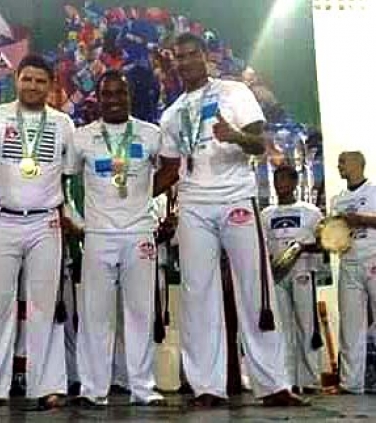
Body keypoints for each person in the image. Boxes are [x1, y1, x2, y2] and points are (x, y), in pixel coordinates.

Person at [156, 32, 306, 408]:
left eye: (192, 55)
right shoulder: (171, 114)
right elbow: (171, 169)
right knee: (198, 294)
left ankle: (273, 385)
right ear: (173, 62)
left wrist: (234, 134)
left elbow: (259, 144)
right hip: (192, 204)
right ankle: (207, 386)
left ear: (204, 56)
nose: (186, 61)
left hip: (235, 197)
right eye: (180, 57)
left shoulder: (234, 92)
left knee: (256, 289)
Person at [0, 54, 75, 410]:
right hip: (2, 220)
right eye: (27, 79)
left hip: (45, 222)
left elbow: (67, 174)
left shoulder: (63, 123)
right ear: (17, 80)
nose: (33, 86)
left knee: (45, 306)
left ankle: (48, 386)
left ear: (50, 86)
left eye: (41, 81)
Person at [70, 71, 167, 406]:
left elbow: (173, 168)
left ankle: (143, 388)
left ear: (130, 96)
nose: (113, 99)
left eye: (120, 93)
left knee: (141, 313)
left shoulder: (151, 133)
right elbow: (66, 179)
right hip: (97, 234)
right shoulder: (82, 137)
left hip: (139, 232)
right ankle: (94, 390)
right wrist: (74, 219)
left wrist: (144, 197)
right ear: (98, 97)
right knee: (96, 315)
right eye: (107, 94)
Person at [262, 165, 324, 394]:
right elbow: (263, 247)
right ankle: (286, 381)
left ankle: (309, 380)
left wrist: (301, 247)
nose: (280, 184)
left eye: (285, 179)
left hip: (302, 273)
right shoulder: (266, 214)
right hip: (277, 276)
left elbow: (324, 242)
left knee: (307, 326)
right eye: (277, 179)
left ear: (295, 182)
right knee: (282, 329)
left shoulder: (311, 212)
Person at [331, 151, 376, 394]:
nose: (339, 166)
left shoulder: (374, 191)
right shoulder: (337, 200)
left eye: (343, 162)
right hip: (348, 263)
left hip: (373, 259)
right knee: (350, 325)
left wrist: (360, 219)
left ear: (359, 164)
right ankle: (351, 383)